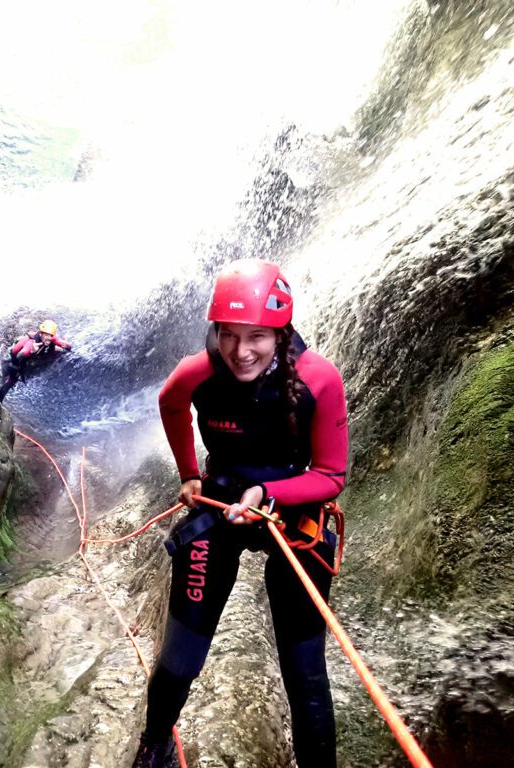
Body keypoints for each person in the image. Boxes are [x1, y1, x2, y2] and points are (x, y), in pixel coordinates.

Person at [132, 260, 348, 767]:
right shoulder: (200, 372)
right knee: (181, 655)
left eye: (256, 336)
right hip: (221, 507)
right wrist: (188, 472)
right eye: (229, 335)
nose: (240, 351)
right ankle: (153, 743)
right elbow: (170, 403)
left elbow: (331, 475)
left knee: (305, 672)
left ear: (280, 331)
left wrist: (267, 492)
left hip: (292, 518)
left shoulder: (319, 379)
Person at [0, 319, 72, 402]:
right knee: (11, 381)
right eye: (46, 335)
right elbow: (19, 356)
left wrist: (67, 345)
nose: (49, 338)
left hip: (38, 353)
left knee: (59, 351)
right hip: (17, 359)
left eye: (51, 335)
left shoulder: (50, 339)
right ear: (40, 334)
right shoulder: (31, 344)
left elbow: (66, 345)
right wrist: (32, 353)